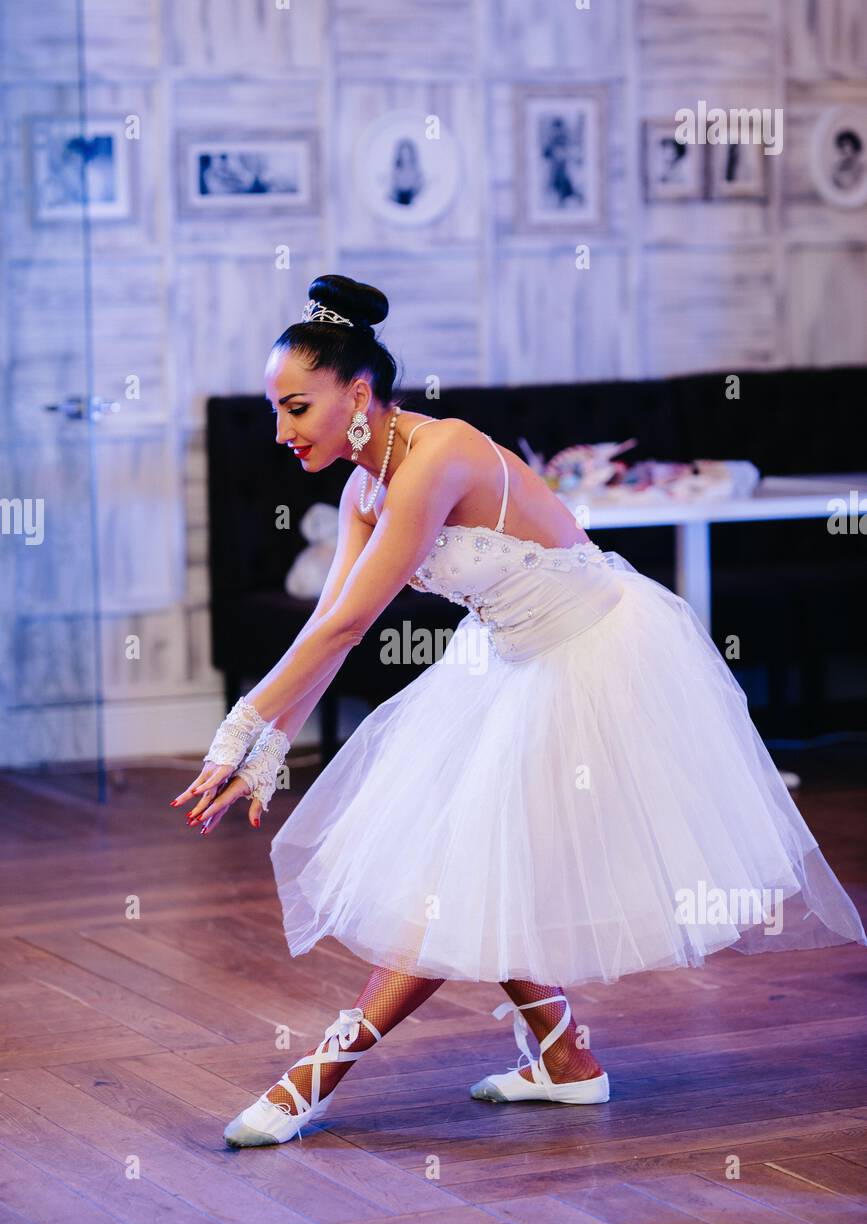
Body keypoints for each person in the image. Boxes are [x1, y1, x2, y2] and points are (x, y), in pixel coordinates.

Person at [171, 273, 867, 1149]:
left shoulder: (441, 454)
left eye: (296, 407)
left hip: (593, 654)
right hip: (506, 658)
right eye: (274, 409)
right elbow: (328, 630)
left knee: (459, 871)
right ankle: (566, 1062)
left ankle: (312, 1077)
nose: (281, 431)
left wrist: (238, 731)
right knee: (478, 862)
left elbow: (350, 621)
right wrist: (262, 742)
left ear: (357, 393)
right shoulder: (361, 490)